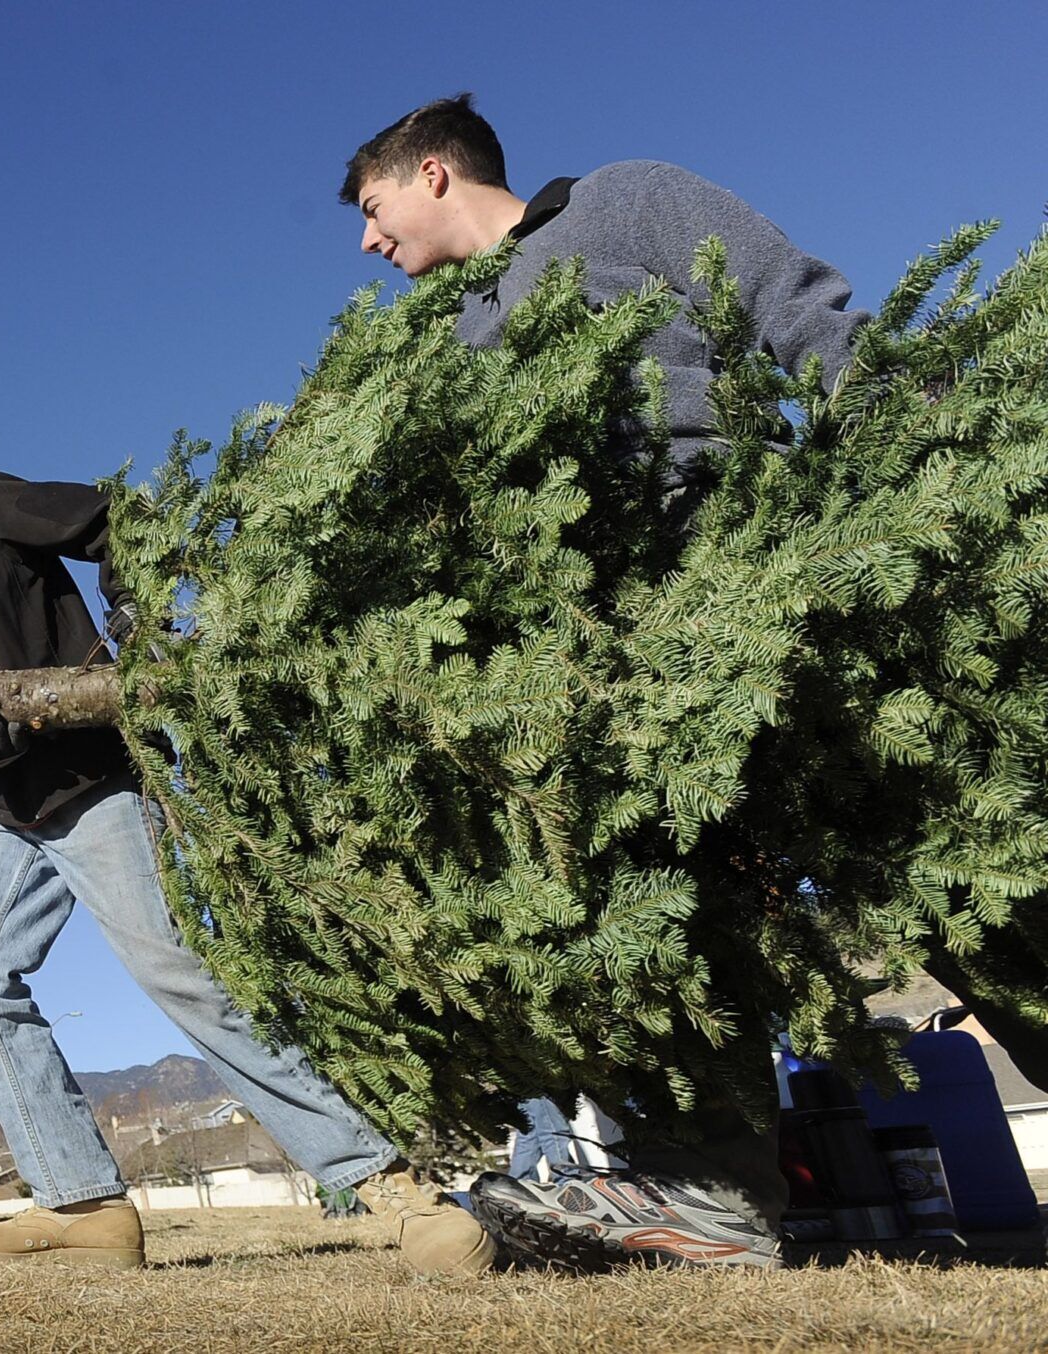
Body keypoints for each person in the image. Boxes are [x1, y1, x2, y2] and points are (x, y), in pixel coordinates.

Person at [337, 92, 873, 1270]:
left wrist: (890, 444)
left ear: (433, 175)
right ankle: (709, 1191)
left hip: (739, 561)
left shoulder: (624, 201)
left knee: (903, 851)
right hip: (587, 652)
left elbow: (788, 299)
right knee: (658, 902)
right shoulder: (442, 337)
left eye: (373, 212)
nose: (367, 246)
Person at [0, 412, 494, 1274]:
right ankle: (86, 1208)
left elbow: (115, 517)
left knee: (179, 975)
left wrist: (131, 614)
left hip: (98, 782)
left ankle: (394, 1189)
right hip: (15, 812)